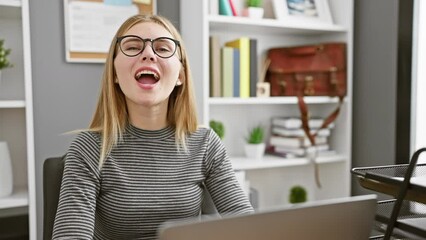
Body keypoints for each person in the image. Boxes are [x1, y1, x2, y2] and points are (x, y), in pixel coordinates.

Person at [52, 14, 254, 239]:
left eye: (163, 48)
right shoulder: (88, 148)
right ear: (115, 74)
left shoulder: (205, 143)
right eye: (132, 47)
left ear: (181, 75)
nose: (148, 54)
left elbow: (247, 225)